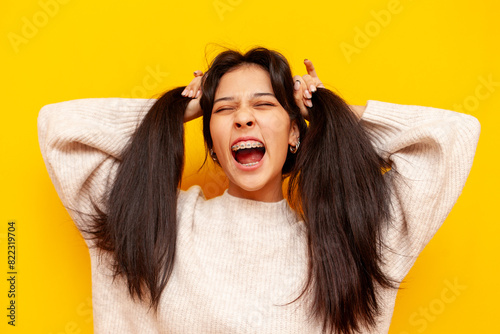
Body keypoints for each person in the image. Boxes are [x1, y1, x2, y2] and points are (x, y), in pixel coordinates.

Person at [37, 47, 480, 334]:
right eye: (225, 109)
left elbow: (453, 137)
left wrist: (333, 113)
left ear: (293, 134)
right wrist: (178, 109)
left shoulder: (349, 242)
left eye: (265, 105)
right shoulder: (155, 226)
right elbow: (61, 130)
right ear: (211, 141)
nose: (244, 118)